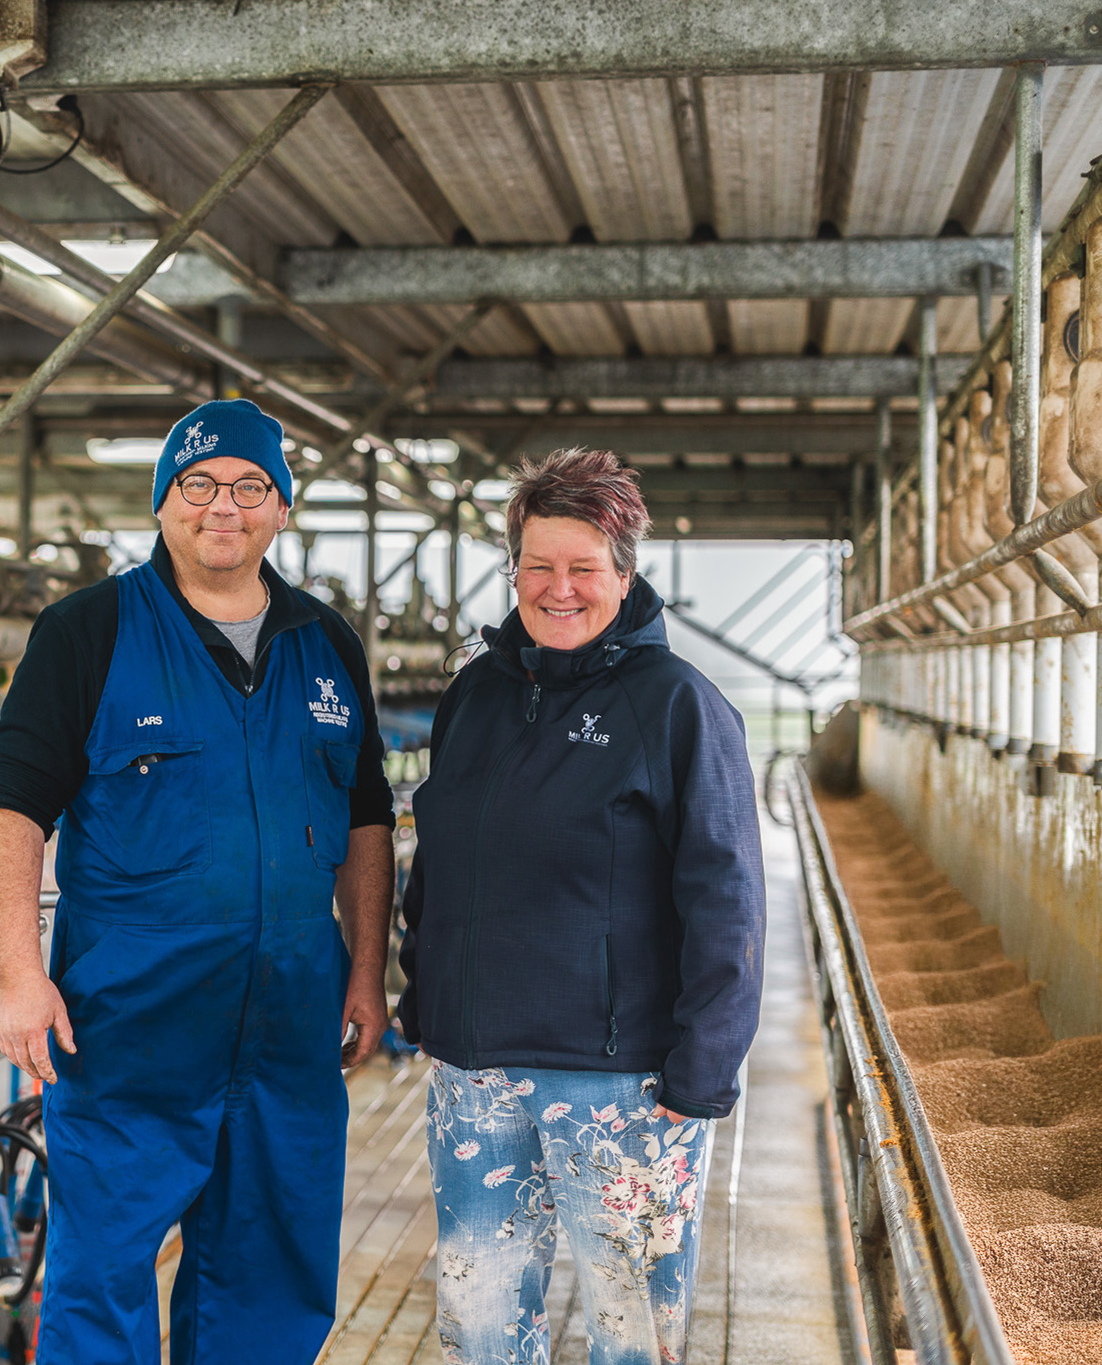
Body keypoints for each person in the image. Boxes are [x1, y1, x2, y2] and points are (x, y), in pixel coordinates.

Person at [0, 398, 396, 1364]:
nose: (223, 507)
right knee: (100, 1282)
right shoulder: (87, 632)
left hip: (288, 1031)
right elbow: (11, 809)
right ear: (162, 502)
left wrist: (368, 970)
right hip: (131, 1031)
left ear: (281, 508)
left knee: (271, 1280)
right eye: (198, 484)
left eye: (250, 486)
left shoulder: (326, 642)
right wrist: (19, 974)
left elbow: (365, 816)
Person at [397, 448, 765, 1365]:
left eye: (582, 568)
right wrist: (425, 998)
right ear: (512, 569)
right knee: (479, 1327)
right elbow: (438, 852)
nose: (558, 589)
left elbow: (727, 896)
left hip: (620, 1085)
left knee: (631, 1334)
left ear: (624, 574)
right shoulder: (474, 695)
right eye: (537, 566)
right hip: (474, 1077)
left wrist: (703, 1067)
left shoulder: (677, 706)